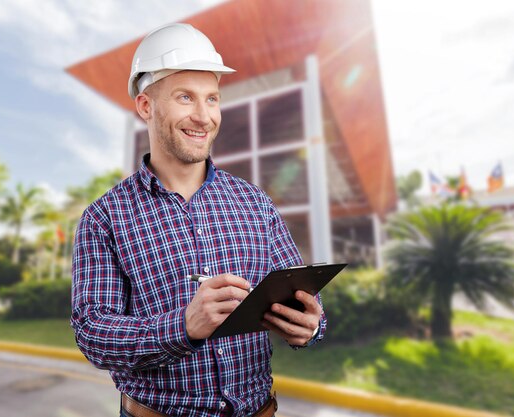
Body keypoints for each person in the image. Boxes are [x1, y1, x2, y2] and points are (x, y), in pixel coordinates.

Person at [71, 23, 326, 417]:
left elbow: (301, 295)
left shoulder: (254, 202)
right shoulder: (106, 217)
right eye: (185, 97)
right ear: (145, 106)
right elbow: (93, 334)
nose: (203, 116)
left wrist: (309, 324)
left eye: (212, 98)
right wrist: (184, 326)